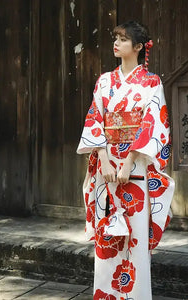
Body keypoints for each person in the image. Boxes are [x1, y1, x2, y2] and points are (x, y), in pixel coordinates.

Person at [77, 20, 175, 300]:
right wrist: (105, 159)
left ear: (139, 47)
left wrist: (130, 161)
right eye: (115, 38)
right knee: (108, 232)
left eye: (122, 39)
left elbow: (152, 123)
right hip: (106, 166)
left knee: (135, 234)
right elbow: (96, 117)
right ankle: (105, 294)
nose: (116, 43)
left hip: (136, 166)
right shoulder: (105, 81)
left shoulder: (151, 82)